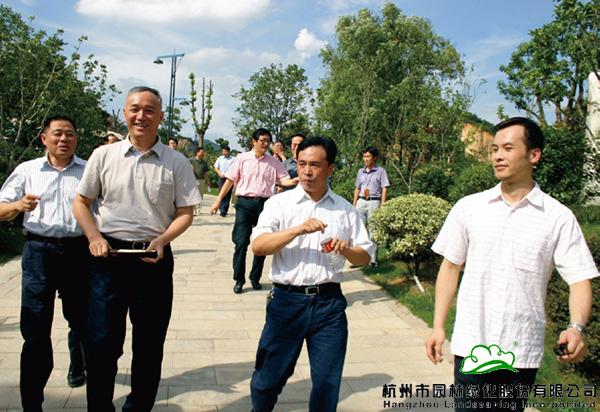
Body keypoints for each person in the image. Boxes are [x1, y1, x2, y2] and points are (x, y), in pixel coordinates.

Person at [425, 117, 598, 412]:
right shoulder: (469, 207)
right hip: (472, 344)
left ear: (534, 155)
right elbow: (450, 267)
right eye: (494, 149)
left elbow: (580, 279)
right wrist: (438, 327)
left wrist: (575, 327)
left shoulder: (557, 217)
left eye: (507, 148)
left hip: (520, 350)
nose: (498, 156)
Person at [72, 86, 201, 412]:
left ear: (160, 116)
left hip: (153, 259)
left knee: (149, 343)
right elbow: (81, 202)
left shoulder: (176, 162)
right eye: (134, 109)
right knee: (101, 341)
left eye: (149, 110)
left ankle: (139, 406)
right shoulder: (104, 155)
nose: (141, 116)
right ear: (124, 113)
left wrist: (163, 240)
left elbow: (185, 212)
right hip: (107, 258)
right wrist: (94, 237)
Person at [250, 136, 374, 412]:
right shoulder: (279, 204)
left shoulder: (344, 209)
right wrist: (297, 230)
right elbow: (258, 246)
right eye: (302, 164)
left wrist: (347, 249)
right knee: (268, 378)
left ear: (330, 169)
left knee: (327, 384)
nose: (307, 171)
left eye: (315, 165)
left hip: (328, 305)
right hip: (286, 302)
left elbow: (365, 256)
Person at [0, 115, 89, 410]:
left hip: (79, 252)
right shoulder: (27, 171)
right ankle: (32, 401)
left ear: (76, 138)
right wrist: (18, 205)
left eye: (70, 134)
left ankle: (78, 366)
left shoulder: (89, 170)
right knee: (36, 328)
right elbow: (1, 208)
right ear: (44, 138)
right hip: (39, 252)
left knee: (82, 320)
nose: (64, 139)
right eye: (58, 133)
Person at [210, 128, 297, 294]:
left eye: (268, 141)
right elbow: (230, 181)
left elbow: (284, 180)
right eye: (262, 140)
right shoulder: (242, 159)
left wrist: (295, 181)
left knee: (261, 244)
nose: (266, 144)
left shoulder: (274, 162)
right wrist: (218, 200)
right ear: (254, 141)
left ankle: (255, 277)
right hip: (244, 204)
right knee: (241, 243)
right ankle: (239, 279)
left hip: (265, 206)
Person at [352, 146, 389, 266]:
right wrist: (354, 203)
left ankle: (373, 261)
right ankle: (357, 259)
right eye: (364, 156)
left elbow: (384, 188)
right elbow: (357, 188)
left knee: (373, 231)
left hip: (374, 202)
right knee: (358, 230)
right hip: (361, 201)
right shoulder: (360, 172)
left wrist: (382, 205)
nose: (366, 159)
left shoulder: (380, 171)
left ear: (374, 158)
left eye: (368, 156)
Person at [213, 146, 236, 217]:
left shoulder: (233, 159)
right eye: (223, 151)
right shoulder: (220, 158)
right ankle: (221, 209)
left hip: (229, 179)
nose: (224, 153)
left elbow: (235, 168)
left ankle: (224, 210)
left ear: (229, 152)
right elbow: (216, 167)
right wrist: (219, 173)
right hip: (221, 178)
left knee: (228, 194)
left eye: (225, 151)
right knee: (221, 193)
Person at [190, 147, 210, 216]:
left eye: (203, 152)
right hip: (193, 180)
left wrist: (208, 181)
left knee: (200, 195)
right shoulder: (191, 160)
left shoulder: (204, 162)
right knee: (193, 195)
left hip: (201, 180)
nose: (203, 154)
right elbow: (185, 167)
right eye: (202, 152)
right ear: (197, 152)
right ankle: (193, 210)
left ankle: (198, 210)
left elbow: (206, 173)